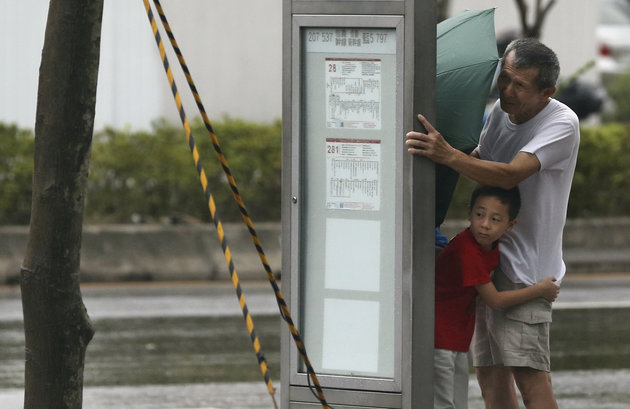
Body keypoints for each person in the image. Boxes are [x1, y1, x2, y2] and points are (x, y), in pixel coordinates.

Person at [406, 38, 580, 409]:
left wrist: (449, 155)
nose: (508, 90)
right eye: (505, 78)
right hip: (485, 259)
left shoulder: (562, 123)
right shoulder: (500, 112)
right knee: (489, 375)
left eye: (521, 85)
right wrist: (442, 145)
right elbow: (480, 163)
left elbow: (508, 175)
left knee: (530, 378)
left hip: (526, 269)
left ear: (546, 92)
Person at [434, 184, 559, 409]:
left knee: (456, 402)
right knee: (444, 404)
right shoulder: (468, 250)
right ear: (469, 213)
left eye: (495, 219)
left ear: (510, 225)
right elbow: (495, 300)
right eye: (479, 215)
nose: (485, 224)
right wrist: (540, 290)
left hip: (457, 338)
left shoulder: (487, 245)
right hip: (439, 338)